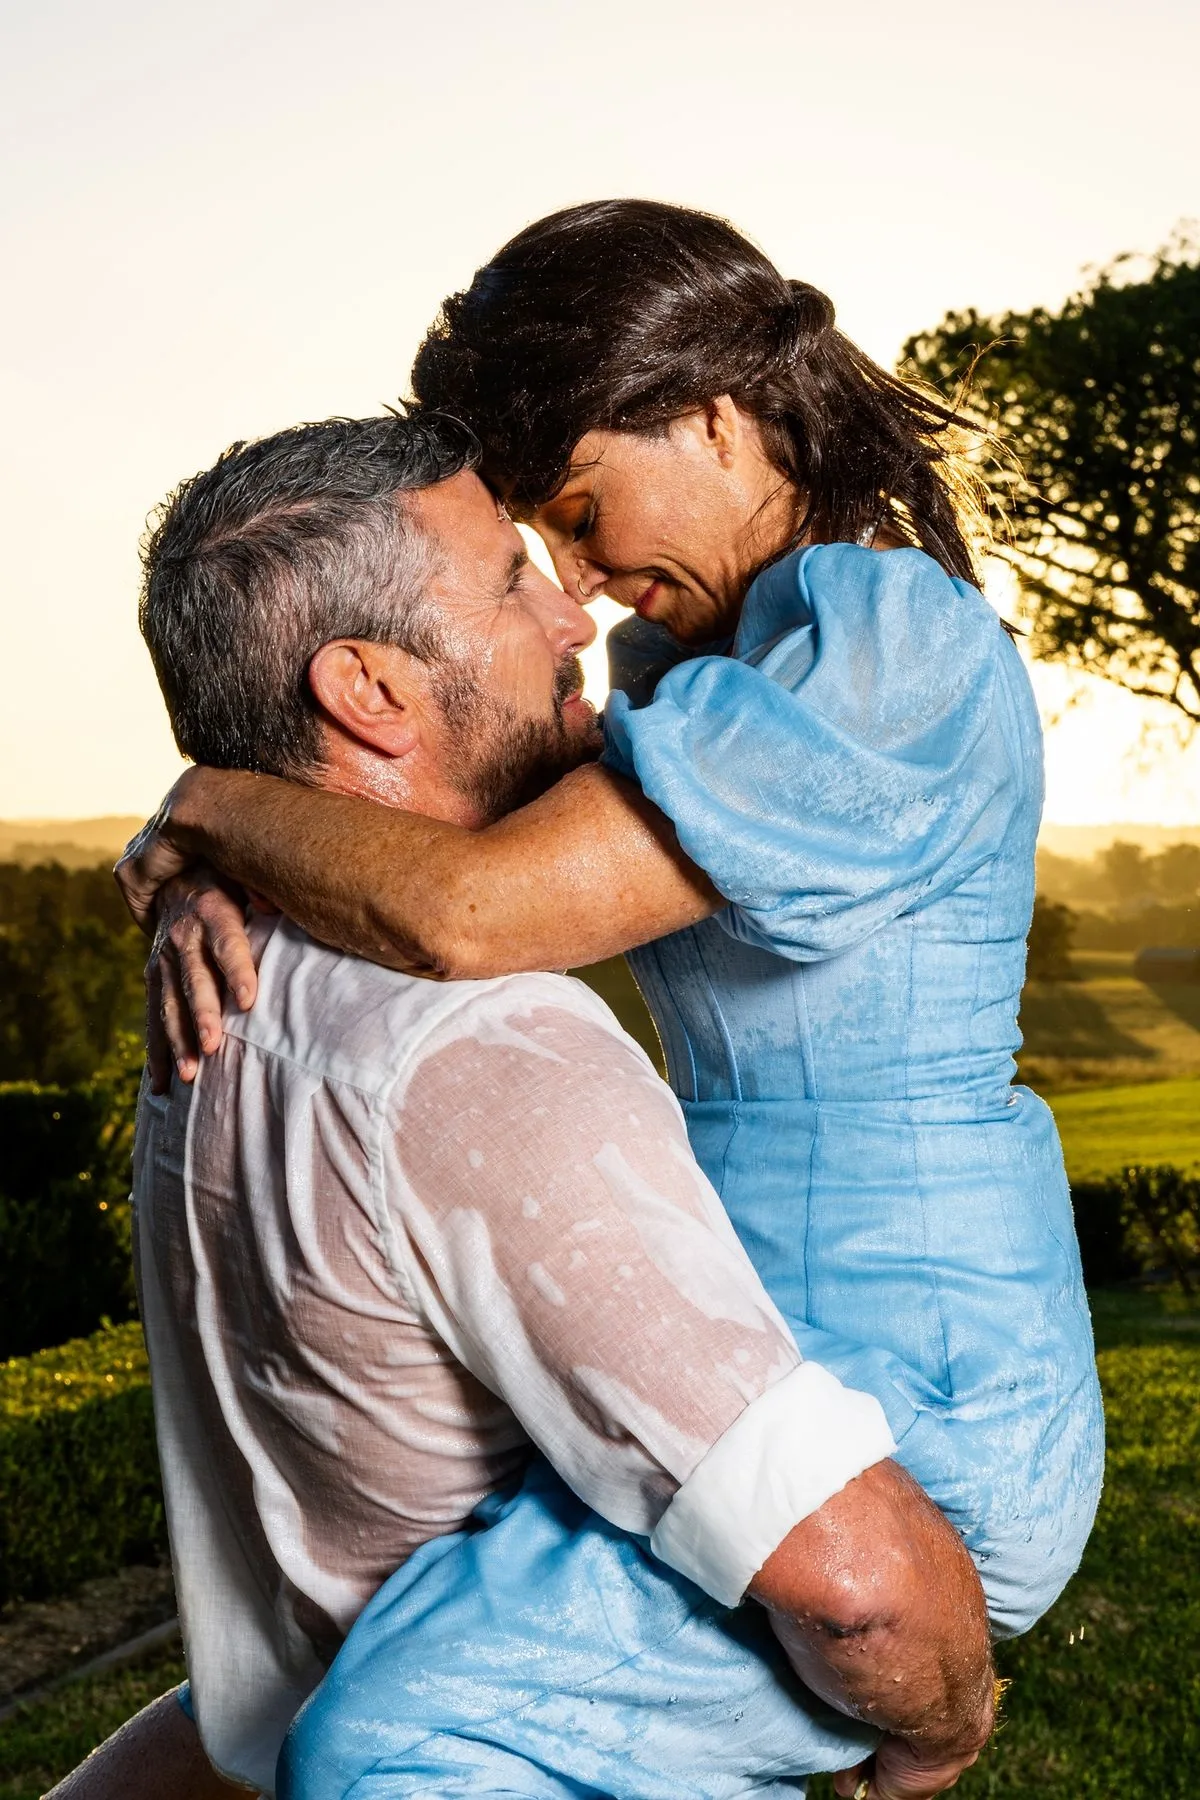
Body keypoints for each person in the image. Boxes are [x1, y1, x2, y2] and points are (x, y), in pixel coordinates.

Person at [118, 201, 1105, 1793]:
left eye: (577, 512)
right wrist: (241, 860)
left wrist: (213, 807)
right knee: (336, 1684)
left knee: (398, 1736)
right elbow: (411, 808)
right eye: (534, 547)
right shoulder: (698, 664)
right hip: (759, 1354)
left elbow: (463, 905)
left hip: (925, 1396)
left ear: (714, 418)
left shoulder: (885, 651)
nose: (573, 582)